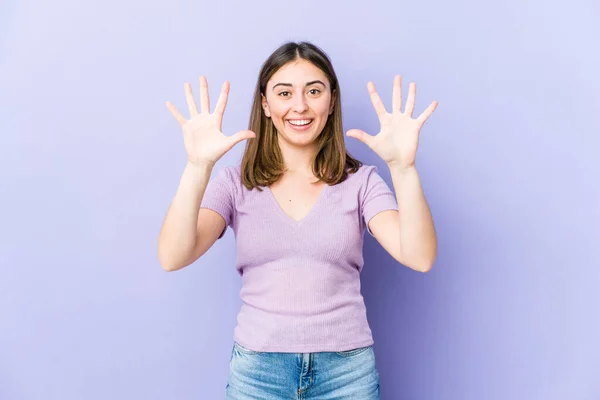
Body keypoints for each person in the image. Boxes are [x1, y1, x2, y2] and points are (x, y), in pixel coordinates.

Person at [158, 41, 438, 399]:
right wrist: (198, 167)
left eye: (314, 91)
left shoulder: (361, 182)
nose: (300, 105)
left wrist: (404, 168)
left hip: (346, 375)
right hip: (259, 373)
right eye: (284, 92)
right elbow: (172, 255)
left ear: (331, 100)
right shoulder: (234, 184)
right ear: (265, 103)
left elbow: (419, 255)